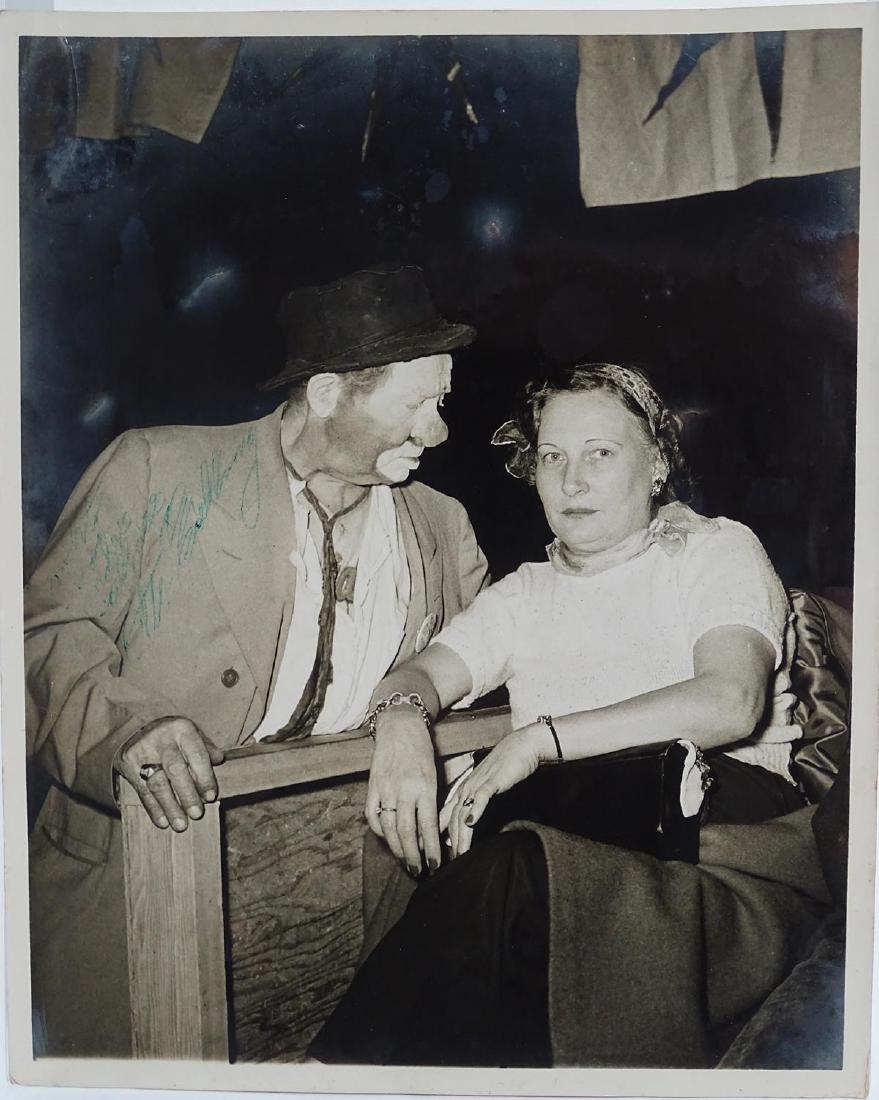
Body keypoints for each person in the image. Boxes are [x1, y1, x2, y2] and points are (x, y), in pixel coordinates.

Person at [308, 362, 832, 1068]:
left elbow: (730, 702)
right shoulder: (523, 594)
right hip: (572, 853)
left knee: (512, 866)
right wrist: (401, 721)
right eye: (552, 457)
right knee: (507, 874)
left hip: (724, 859)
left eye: (599, 454)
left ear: (655, 464)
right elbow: (420, 676)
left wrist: (540, 741)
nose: (571, 481)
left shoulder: (714, 550)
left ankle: (332, 1072)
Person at [24, 262, 488, 1057]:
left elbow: (490, 666)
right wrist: (126, 730)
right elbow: (43, 638)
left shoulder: (442, 526)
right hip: (150, 896)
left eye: (439, 402)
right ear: (328, 393)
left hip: (356, 918)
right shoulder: (156, 473)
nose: (438, 431)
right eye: (416, 404)